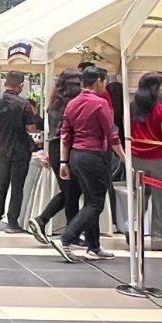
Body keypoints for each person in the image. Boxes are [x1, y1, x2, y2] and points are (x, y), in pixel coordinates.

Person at [50, 65, 124, 263]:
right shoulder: (100, 104)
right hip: (94, 156)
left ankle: (94, 246)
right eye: (104, 81)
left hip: (75, 156)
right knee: (95, 203)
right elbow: (112, 135)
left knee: (89, 200)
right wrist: (125, 159)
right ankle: (67, 238)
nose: (105, 85)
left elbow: (66, 135)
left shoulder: (72, 104)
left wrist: (64, 161)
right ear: (99, 81)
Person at [26, 70, 84, 245]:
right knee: (72, 190)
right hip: (65, 146)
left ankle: (67, 229)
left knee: (70, 190)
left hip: (55, 146)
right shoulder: (72, 104)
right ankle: (45, 220)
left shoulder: (54, 103)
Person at [128, 73, 162, 251]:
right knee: (161, 201)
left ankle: (131, 230)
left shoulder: (132, 108)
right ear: (154, 89)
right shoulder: (161, 111)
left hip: (136, 158)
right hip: (159, 158)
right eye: (161, 86)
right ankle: (159, 240)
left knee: (138, 198)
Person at [0, 70, 39, 233]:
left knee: (2, 183)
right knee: (17, 186)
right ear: (21, 85)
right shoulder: (23, 104)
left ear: (5, 83)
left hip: (1, 147)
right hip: (20, 148)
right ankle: (12, 222)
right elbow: (31, 128)